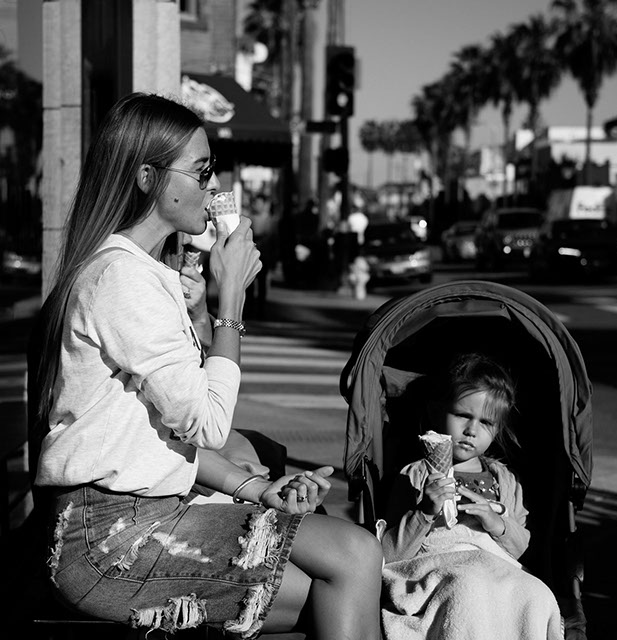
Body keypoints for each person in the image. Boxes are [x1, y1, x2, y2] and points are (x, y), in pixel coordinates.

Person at [32, 92, 382, 640]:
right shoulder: (121, 279)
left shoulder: (142, 272)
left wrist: (256, 489)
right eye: (200, 172)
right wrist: (231, 299)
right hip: (107, 540)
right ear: (147, 178)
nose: (214, 186)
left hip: (145, 513)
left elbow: (163, 438)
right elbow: (210, 423)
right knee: (350, 563)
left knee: (352, 556)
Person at [379, 352, 564, 640]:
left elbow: (522, 548)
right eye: (463, 415)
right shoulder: (415, 475)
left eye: (486, 422)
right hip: (444, 564)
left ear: (497, 429)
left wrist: (498, 524)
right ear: (437, 411)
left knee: (536, 593)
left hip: (496, 565)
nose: (471, 430)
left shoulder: (504, 480)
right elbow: (391, 554)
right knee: (468, 587)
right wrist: (424, 512)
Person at [245, 192, 276, 318]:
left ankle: (260, 309)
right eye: (255, 202)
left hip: (264, 254)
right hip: (251, 254)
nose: (257, 205)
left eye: (259, 202)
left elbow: (273, 239)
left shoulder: (269, 219)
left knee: (262, 283)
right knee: (250, 282)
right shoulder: (249, 218)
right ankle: (250, 308)